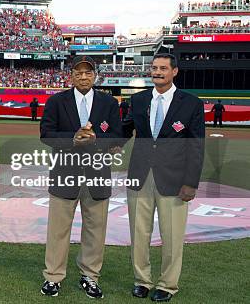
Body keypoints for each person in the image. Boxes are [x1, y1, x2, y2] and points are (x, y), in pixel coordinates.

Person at [123, 53, 205, 302]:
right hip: (140, 175)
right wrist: (98, 138)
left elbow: (196, 146)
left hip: (175, 179)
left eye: (163, 68)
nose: (157, 72)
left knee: (171, 236)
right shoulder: (138, 100)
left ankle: (167, 285)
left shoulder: (191, 103)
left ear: (174, 71)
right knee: (139, 234)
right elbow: (124, 130)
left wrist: (191, 182)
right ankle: (142, 281)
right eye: (154, 68)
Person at [39, 56, 123, 299]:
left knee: (95, 230)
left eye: (88, 73)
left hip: (97, 174)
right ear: (71, 76)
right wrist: (72, 139)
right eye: (79, 72)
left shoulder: (108, 103)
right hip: (65, 173)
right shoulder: (57, 101)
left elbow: (118, 135)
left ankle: (90, 276)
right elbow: (46, 133)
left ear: (95, 75)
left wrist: (97, 140)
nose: (83, 77)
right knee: (58, 230)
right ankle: (53, 276)